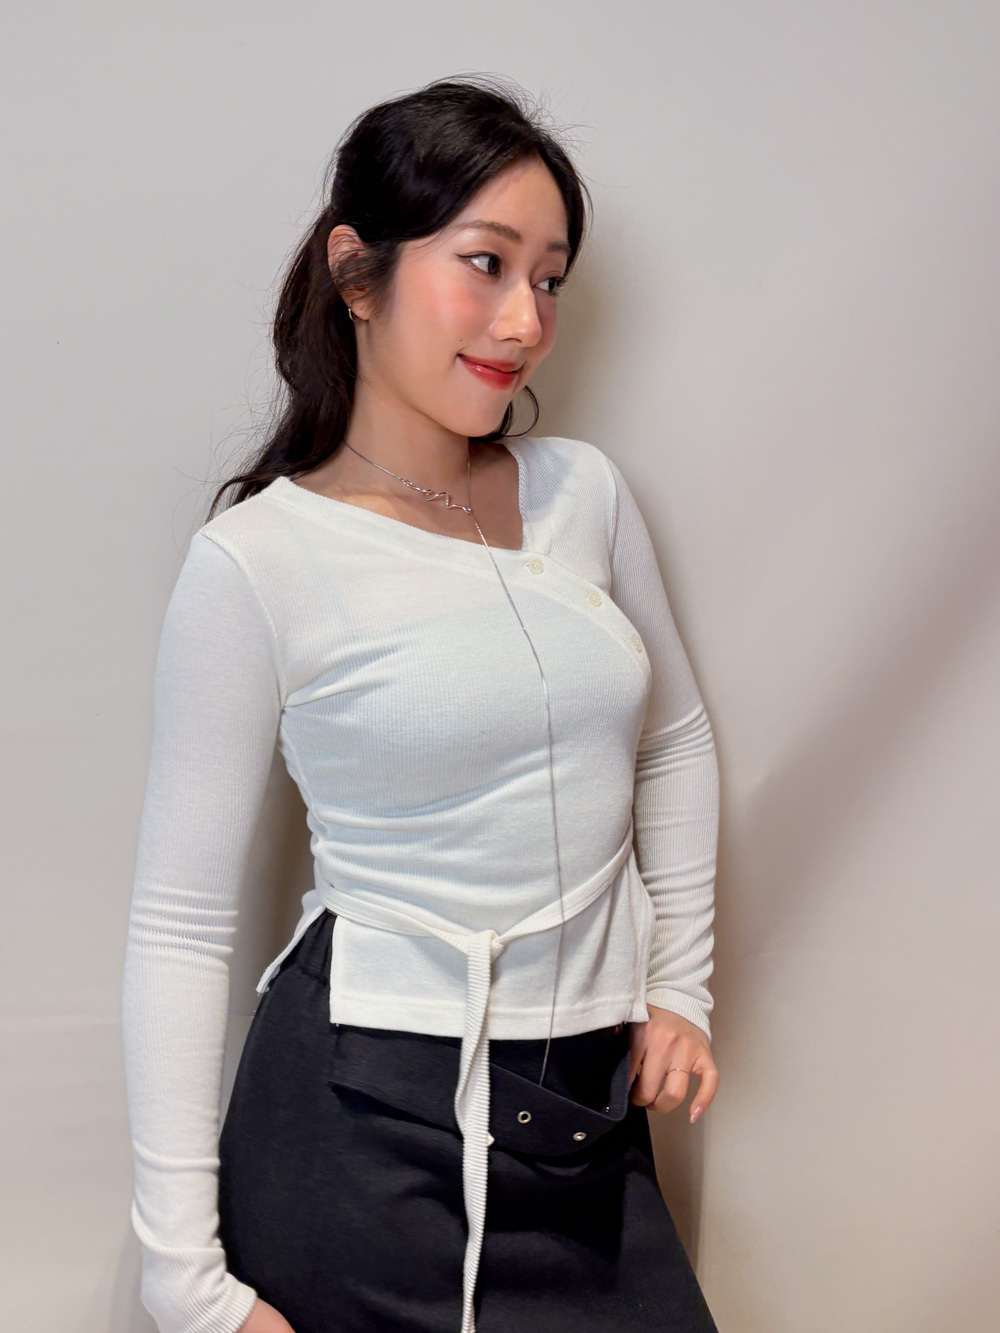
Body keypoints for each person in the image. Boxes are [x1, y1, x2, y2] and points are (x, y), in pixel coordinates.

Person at [121, 74, 722, 1333]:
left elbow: (671, 743)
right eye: (485, 263)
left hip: (582, 1105)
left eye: (548, 278)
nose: (524, 319)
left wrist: (680, 985)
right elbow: (178, 927)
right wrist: (186, 1286)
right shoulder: (258, 561)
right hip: (359, 1115)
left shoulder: (583, 494)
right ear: (357, 271)